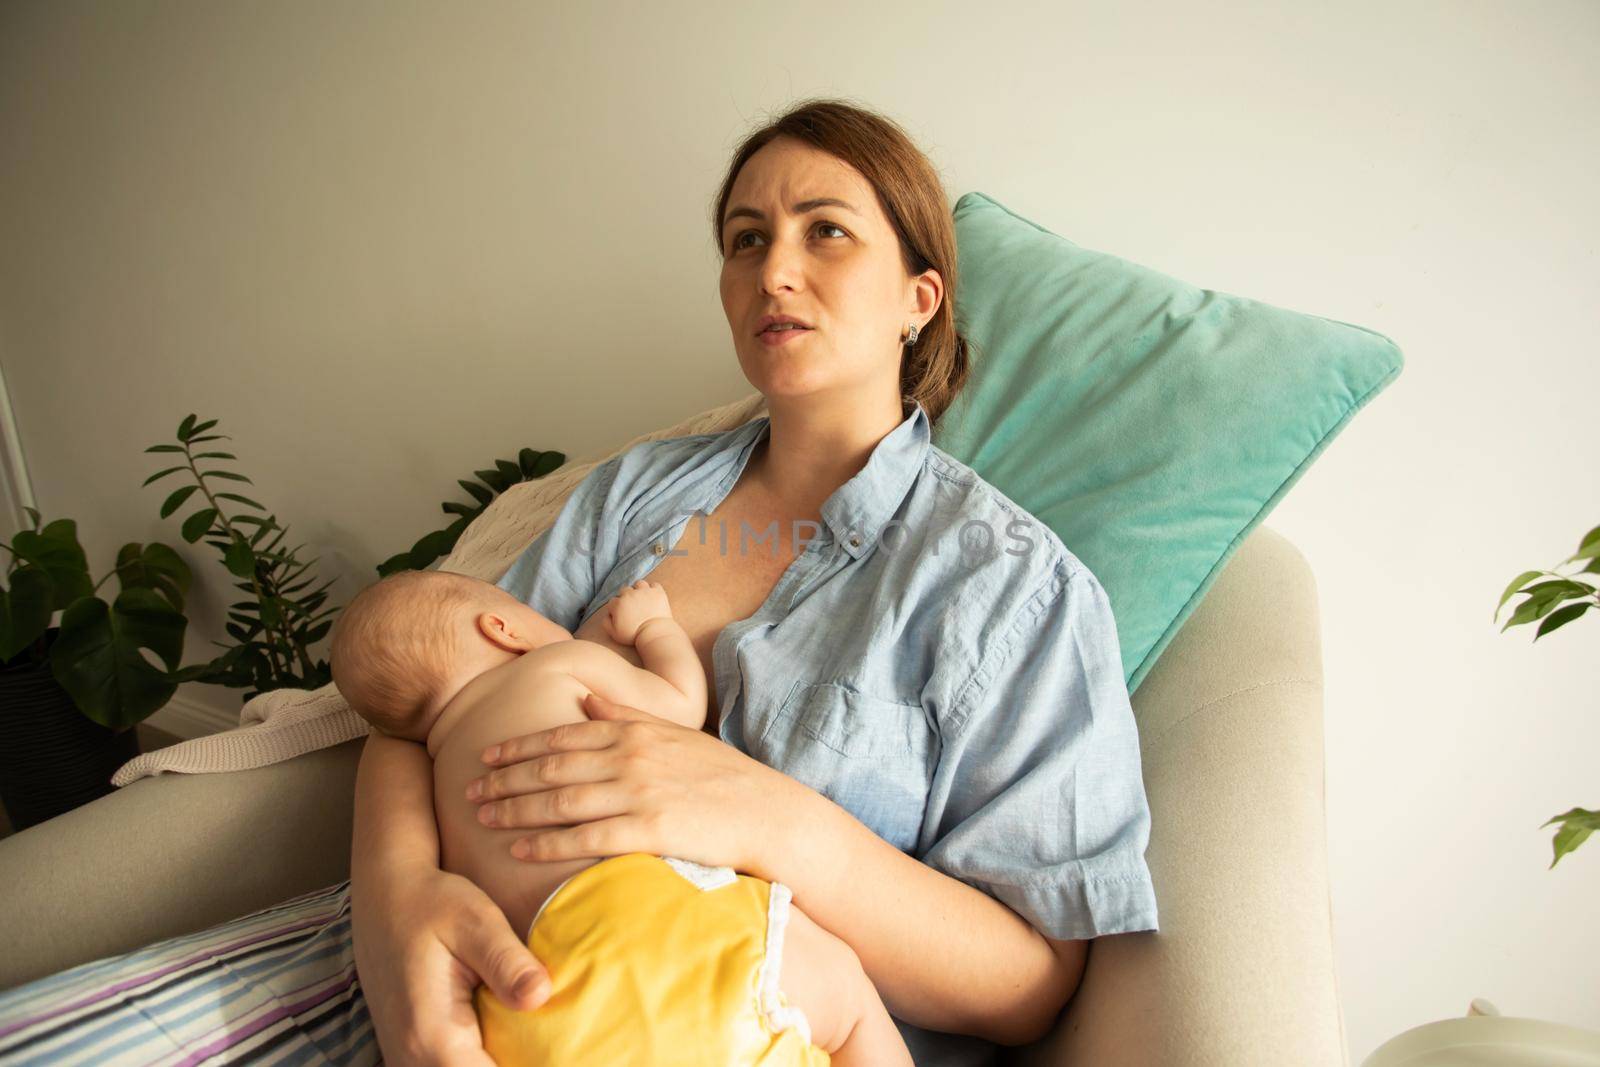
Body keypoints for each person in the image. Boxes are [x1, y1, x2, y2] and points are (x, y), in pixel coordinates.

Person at [350, 96, 1159, 1067]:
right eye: (744, 239)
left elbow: (1031, 981)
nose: (772, 270)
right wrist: (395, 902)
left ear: (919, 296)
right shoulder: (629, 493)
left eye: (826, 231)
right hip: (513, 1014)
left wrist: (766, 816)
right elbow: (430, 700)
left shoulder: (1011, 589)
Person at [329, 569, 910, 1064]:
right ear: (503, 629)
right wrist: (653, 627)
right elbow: (679, 706)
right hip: (662, 931)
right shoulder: (559, 664)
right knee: (849, 999)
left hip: (541, 997)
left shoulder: (435, 769)